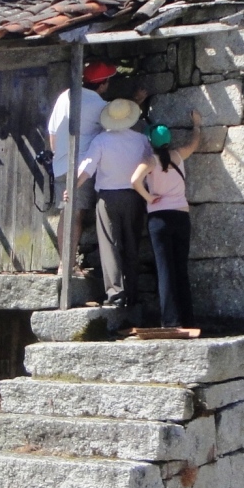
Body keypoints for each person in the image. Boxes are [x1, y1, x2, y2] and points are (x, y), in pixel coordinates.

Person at [76, 98, 152, 308]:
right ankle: (133, 294)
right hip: (135, 196)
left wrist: (72, 187)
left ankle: (115, 294)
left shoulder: (101, 140)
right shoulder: (142, 140)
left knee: (109, 245)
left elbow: (87, 168)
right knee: (132, 245)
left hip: (108, 198)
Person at [130, 109, 202, 328]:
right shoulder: (179, 155)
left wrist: (149, 198)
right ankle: (188, 319)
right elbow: (194, 143)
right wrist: (196, 125)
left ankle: (170, 321)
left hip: (159, 218)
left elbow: (134, 180)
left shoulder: (150, 161)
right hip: (181, 216)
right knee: (181, 269)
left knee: (165, 270)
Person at [47, 59, 117, 275]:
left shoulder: (65, 96)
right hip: (80, 168)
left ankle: (65, 262)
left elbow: (52, 134)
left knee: (66, 212)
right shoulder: (100, 106)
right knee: (74, 215)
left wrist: (59, 156)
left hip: (60, 164)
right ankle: (67, 265)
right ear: (102, 84)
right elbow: (114, 128)